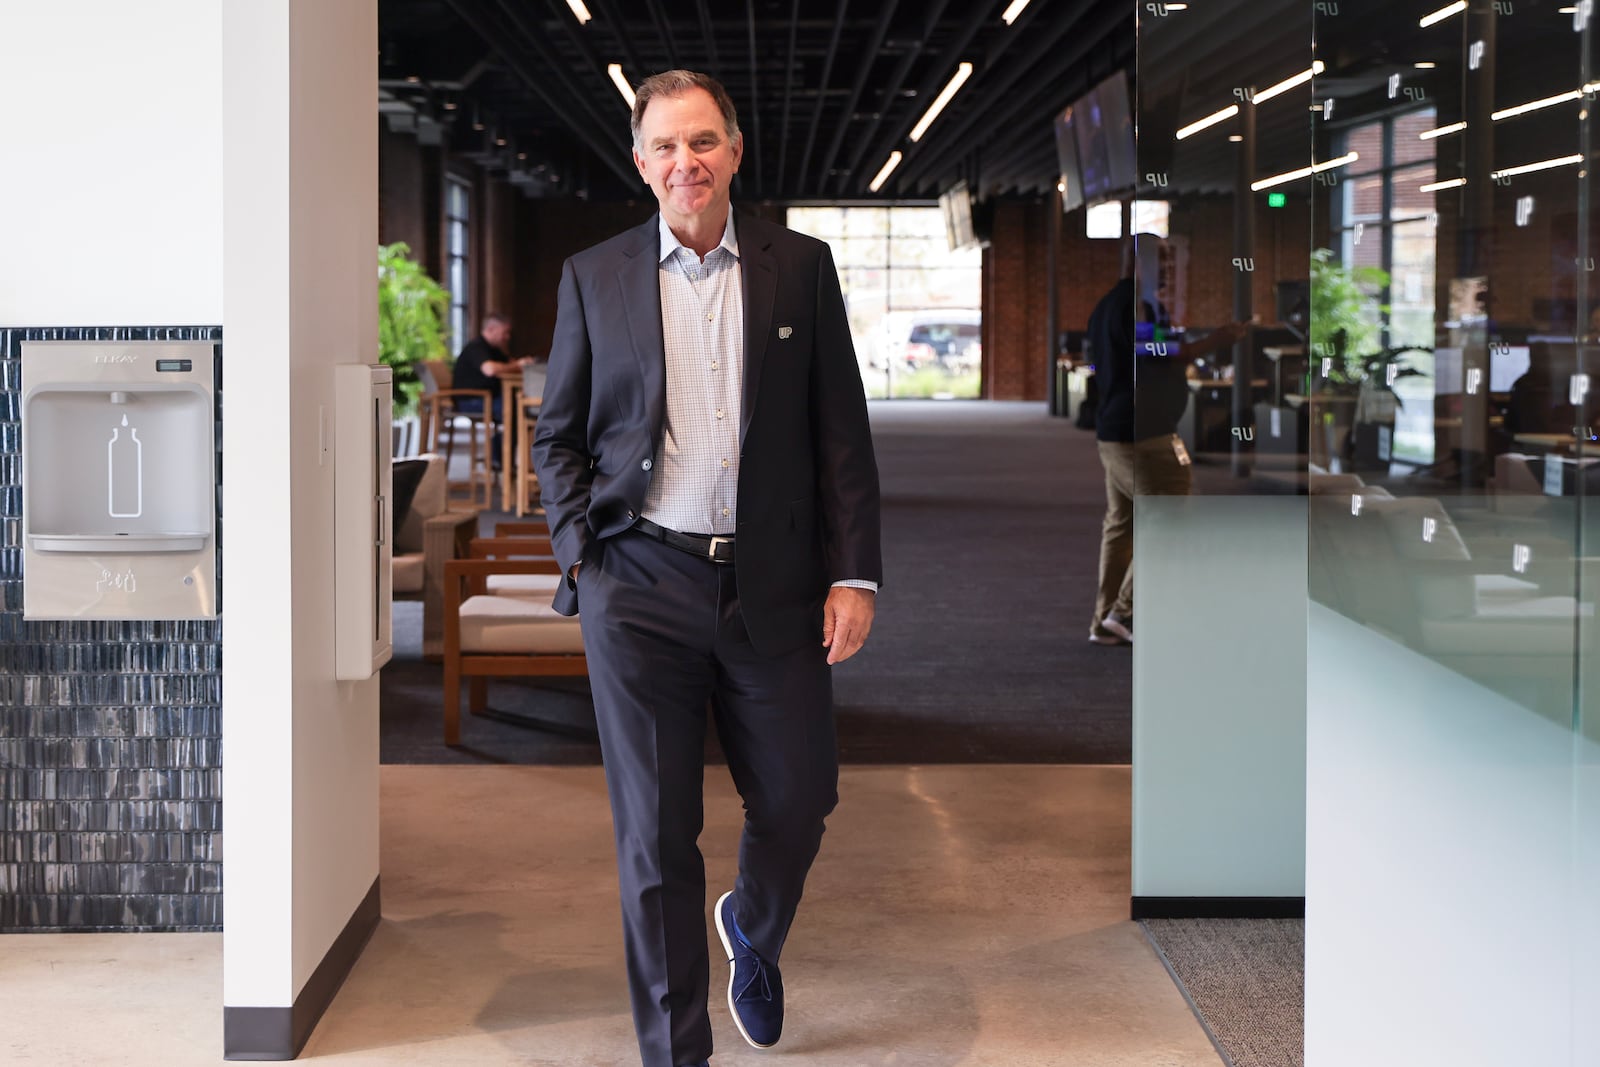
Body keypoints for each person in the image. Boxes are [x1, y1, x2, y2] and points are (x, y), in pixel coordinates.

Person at [530, 69, 882, 1067]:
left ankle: (753, 929)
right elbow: (557, 434)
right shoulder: (594, 276)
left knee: (800, 796)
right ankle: (676, 1052)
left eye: (702, 142)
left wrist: (853, 572)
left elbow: (839, 432)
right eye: (664, 146)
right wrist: (579, 555)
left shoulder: (798, 267)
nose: (684, 162)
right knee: (654, 834)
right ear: (641, 164)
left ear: (732, 152)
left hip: (771, 582)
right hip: (637, 581)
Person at [1088, 238, 1246, 645]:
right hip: (1146, 436)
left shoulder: (1108, 305)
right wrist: (1216, 340)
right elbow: (1161, 351)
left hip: (1117, 432)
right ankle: (1123, 612)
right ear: (1138, 262)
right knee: (1169, 523)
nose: (1169, 270)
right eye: (1161, 261)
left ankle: (1106, 621)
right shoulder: (1136, 307)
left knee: (1121, 526)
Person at [451, 313, 530, 464]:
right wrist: (518, 365)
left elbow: (509, 362)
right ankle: (500, 459)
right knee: (515, 411)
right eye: (504, 332)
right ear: (492, 329)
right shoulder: (476, 347)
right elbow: (490, 369)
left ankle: (503, 460)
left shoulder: (494, 350)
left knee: (518, 409)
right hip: (470, 400)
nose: (507, 337)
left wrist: (521, 363)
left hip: (488, 398)